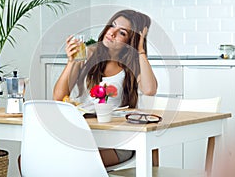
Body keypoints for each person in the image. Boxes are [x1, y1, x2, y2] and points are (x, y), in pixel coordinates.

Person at [53, 9, 158, 167]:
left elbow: (150, 89)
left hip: (118, 142)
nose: (112, 33)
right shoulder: (88, 54)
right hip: (86, 135)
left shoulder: (133, 64)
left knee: (74, 162)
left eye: (122, 32)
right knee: (30, 160)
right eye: (112, 26)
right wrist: (71, 62)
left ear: (131, 41)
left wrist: (140, 50)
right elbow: (59, 97)